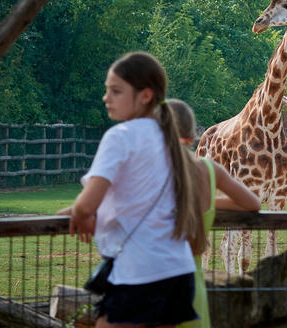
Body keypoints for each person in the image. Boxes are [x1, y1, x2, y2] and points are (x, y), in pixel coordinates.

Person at [57, 52, 204, 328]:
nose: (106, 98)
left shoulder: (120, 137)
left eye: (115, 91)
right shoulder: (169, 140)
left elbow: (87, 205)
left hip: (139, 273)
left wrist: (80, 212)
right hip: (178, 271)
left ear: (145, 95)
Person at [168, 98, 261, 328]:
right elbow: (252, 203)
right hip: (193, 294)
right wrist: (207, 204)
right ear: (192, 137)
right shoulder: (209, 170)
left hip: (150, 290)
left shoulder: (148, 172)